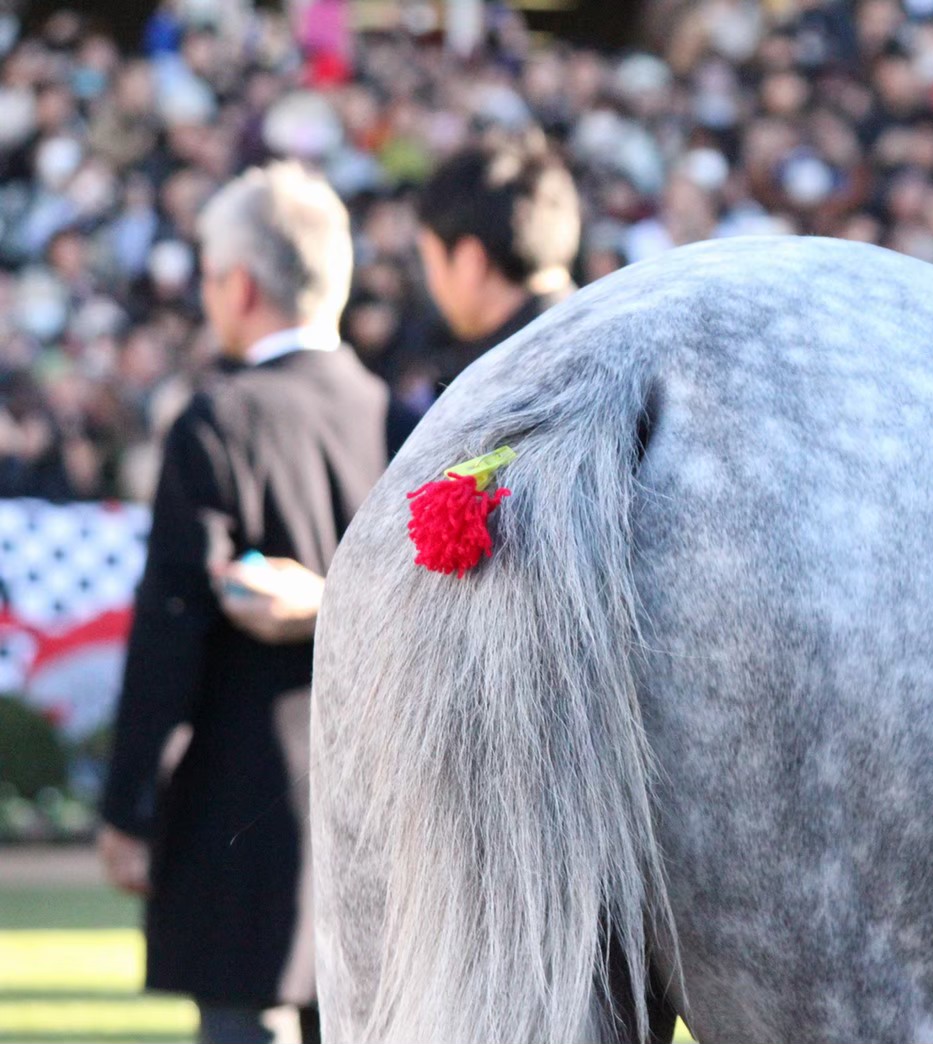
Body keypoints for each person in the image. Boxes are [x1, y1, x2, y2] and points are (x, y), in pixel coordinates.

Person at [96, 161, 411, 1044]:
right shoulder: (405, 419)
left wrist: (129, 807)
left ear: (238, 286)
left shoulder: (217, 421)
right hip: (386, 819)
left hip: (243, 826)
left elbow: (170, 632)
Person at [400, 133, 582, 398]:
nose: (431, 281)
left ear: (469, 261)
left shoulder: (501, 390)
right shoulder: (620, 338)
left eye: (430, 260)